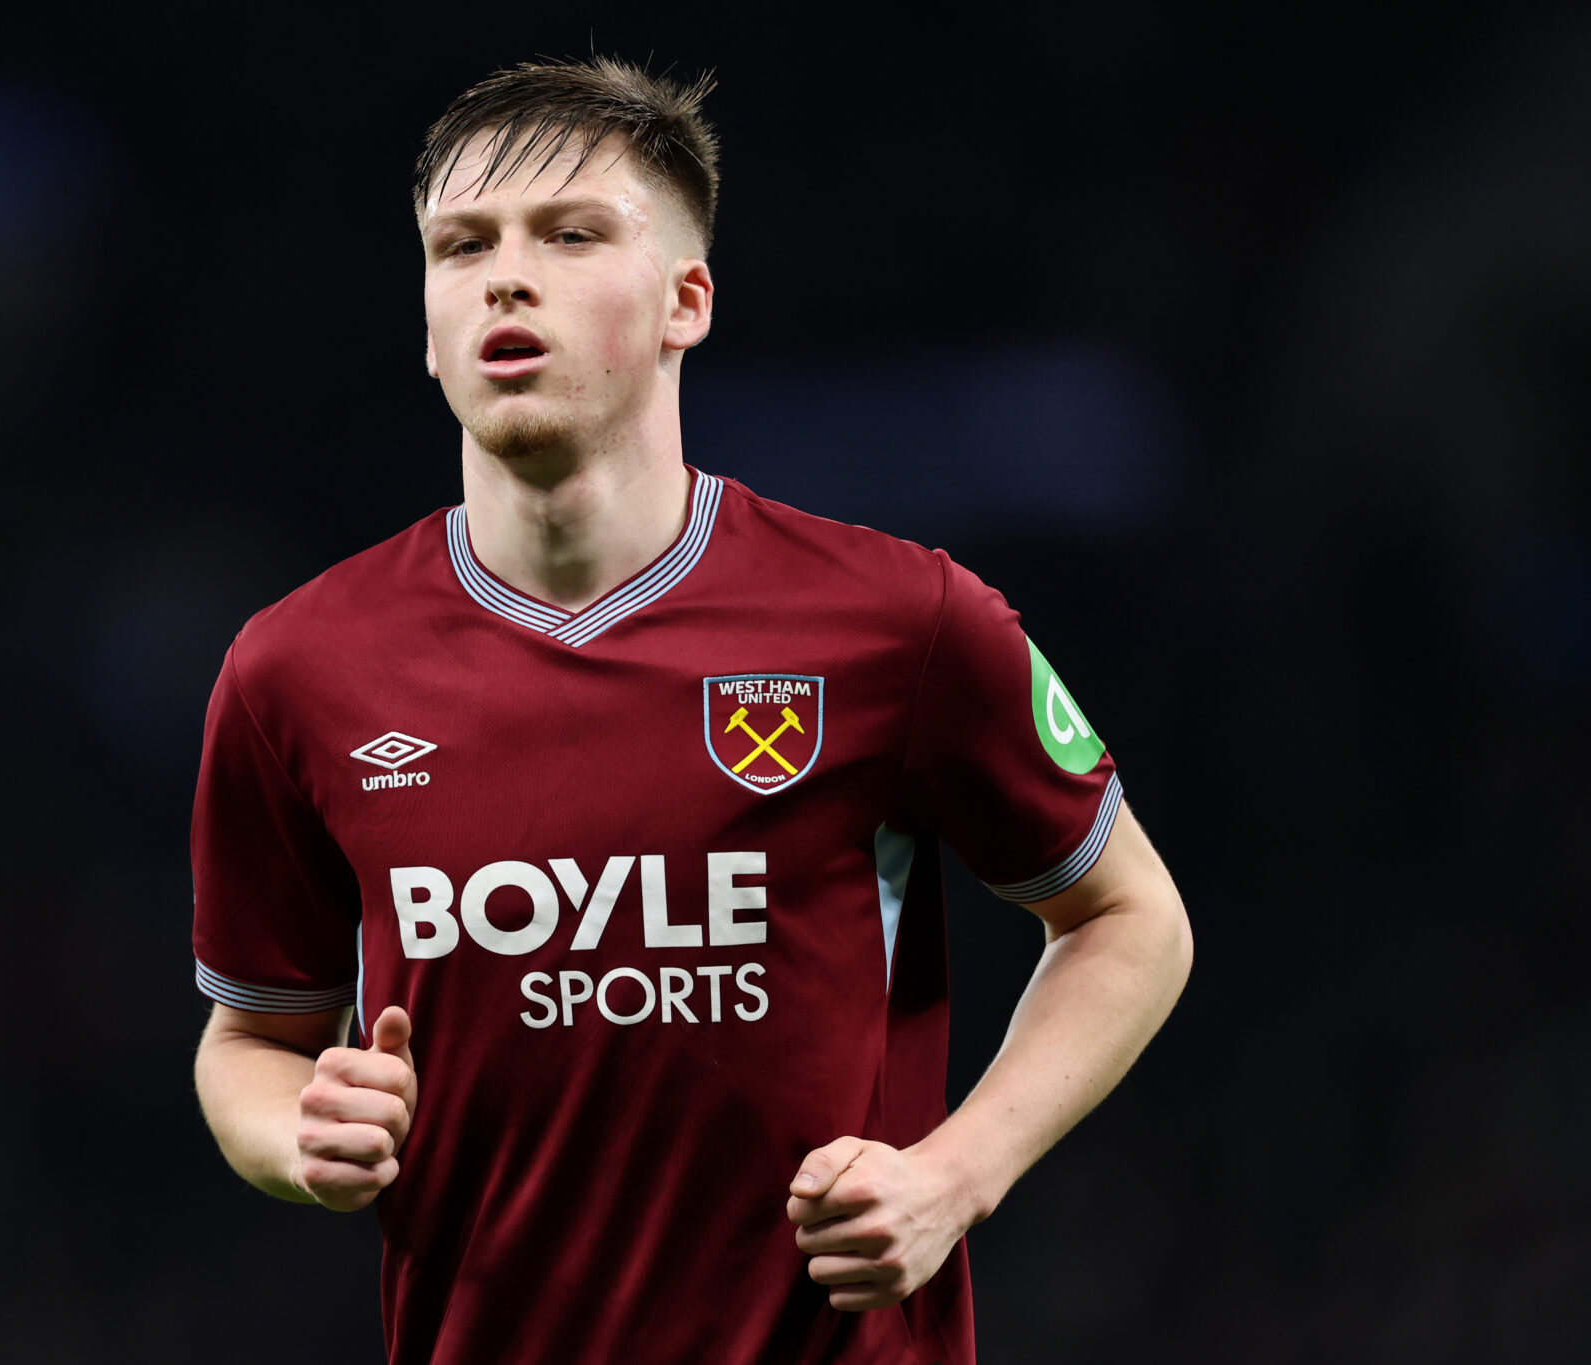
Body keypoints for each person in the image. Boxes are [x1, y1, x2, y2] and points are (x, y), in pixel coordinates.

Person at [189, 57, 1191, 1365]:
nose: (505, 278)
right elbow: (249, 1039)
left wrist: (956, 1174)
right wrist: (300, 1133)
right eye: (462, 246)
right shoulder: (296, 670)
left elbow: (1129, 919)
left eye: (569, 235)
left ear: (686, 300)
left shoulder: (901, 621)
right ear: (428, 328)